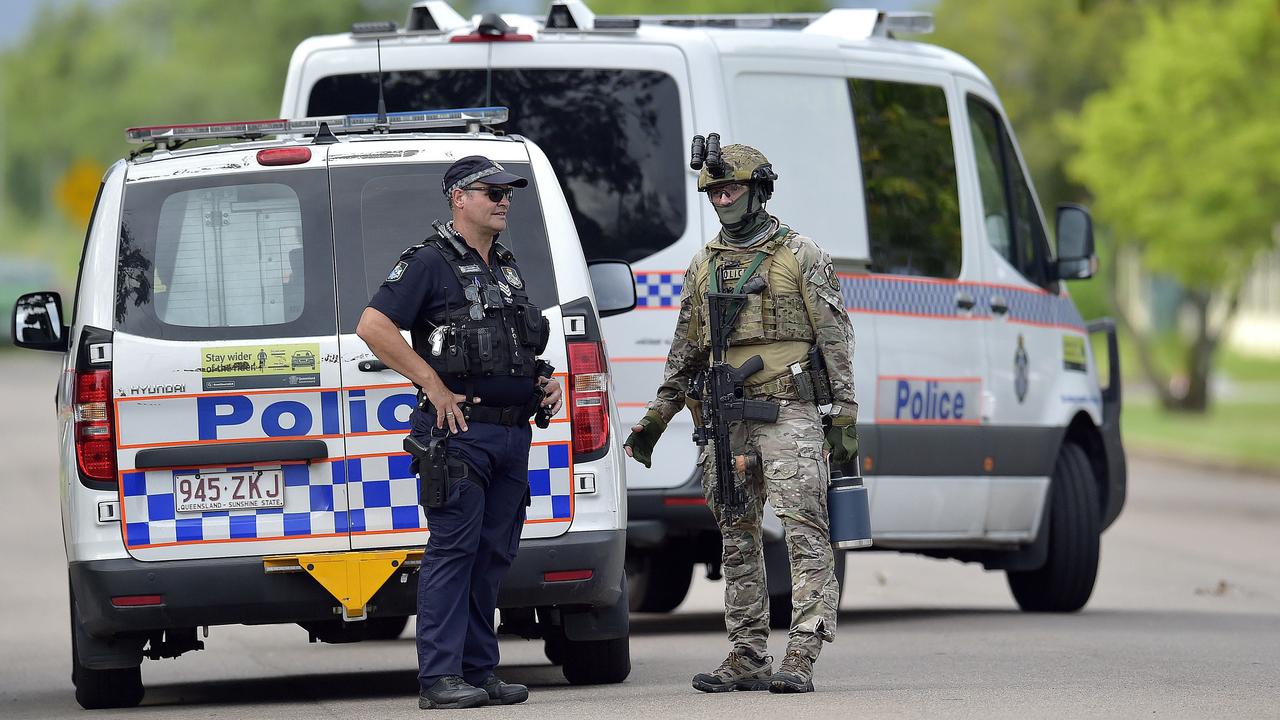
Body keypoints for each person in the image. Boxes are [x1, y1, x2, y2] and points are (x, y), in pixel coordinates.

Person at [623, 143, 858, 694]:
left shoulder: (801, 254)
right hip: (726, 419)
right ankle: (747, 652)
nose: (723, 199)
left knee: (804, 529)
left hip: (788, 411)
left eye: (731, 189)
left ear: (759, 190)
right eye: (715, 192)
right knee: (735, 535)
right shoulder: (703, 265)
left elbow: (835, 336)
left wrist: (843, 413)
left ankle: (802, 650)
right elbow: (686, 351)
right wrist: (658, 416)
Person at [356, 155, 563, 710]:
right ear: (459, 198)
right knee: (454, 551)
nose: (503, 201)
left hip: (511, 434)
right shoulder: (429, 262)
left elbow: (513, 343)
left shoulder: (506, 266)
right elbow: (372, 326)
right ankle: (440, 677)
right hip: (459, 434)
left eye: (507, 193)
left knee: (493, 554)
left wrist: (545, 380)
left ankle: (479, 671)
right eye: (490, 192)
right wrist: (432, 386)